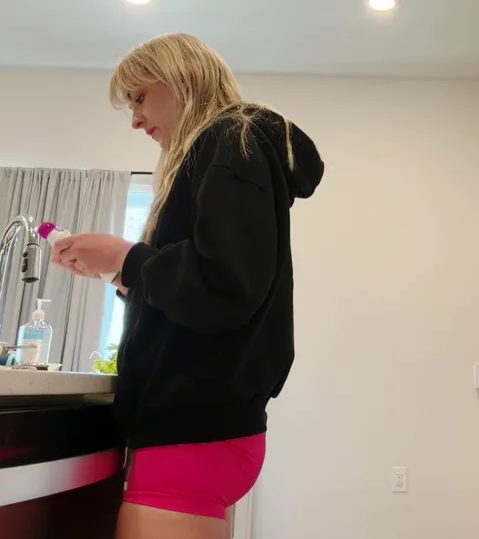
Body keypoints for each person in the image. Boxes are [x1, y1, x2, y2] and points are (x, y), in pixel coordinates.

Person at [51, 33, 324, 539]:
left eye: (140, 97)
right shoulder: (226, 149)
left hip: (191, 430)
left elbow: (224, 285)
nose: (135, 120)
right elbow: (220, 283)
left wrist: (128, 258)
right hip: (203, 428)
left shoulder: (229, 141)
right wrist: (127, 276)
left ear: (184, 79)